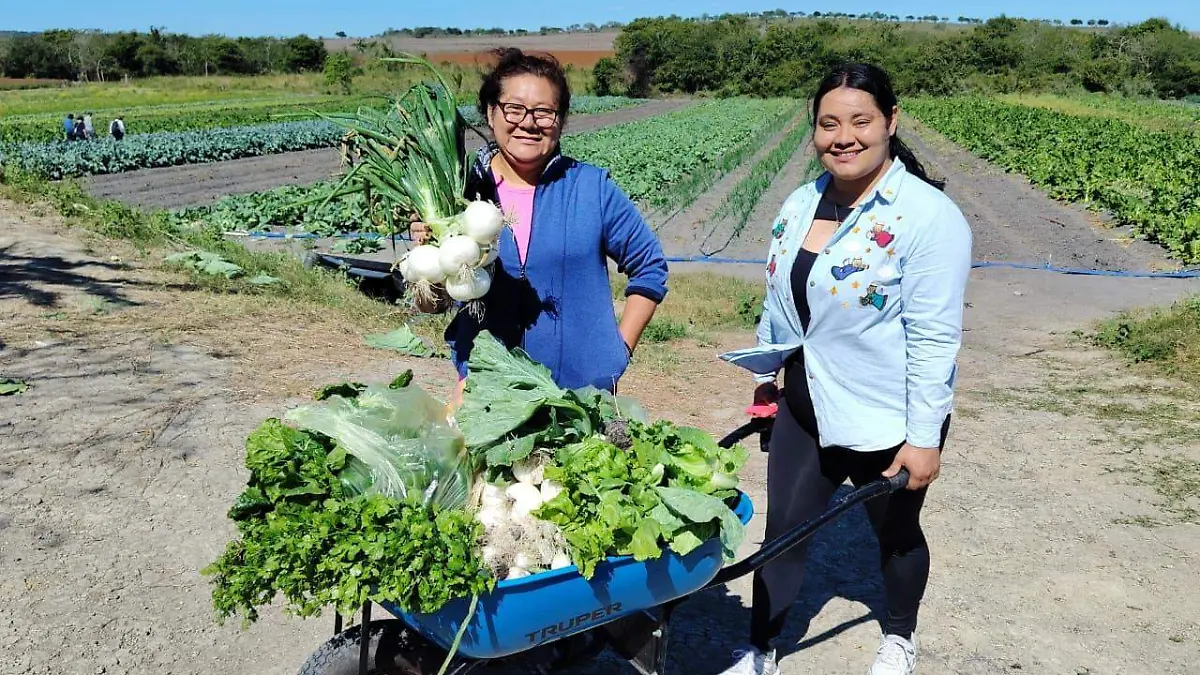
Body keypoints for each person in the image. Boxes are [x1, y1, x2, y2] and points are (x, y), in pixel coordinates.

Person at [717, 63, 972, 675]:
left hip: (885, 410)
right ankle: (762, 649)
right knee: (782, 532)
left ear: (890, 122)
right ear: (814, 131)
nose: (844, 136)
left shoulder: (927, 216)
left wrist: (922, 438)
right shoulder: (802, 202)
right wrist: (763, 380)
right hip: (805, 399)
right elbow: (777, 298)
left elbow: (936, 337)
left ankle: (900, 637)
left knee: (896, 532)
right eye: (829, 123)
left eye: (860, 120)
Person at [412, 48, 668, 399]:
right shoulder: (459, 195)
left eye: (544, 112)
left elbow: (650, 267)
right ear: (491, 112)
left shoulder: (591, 188)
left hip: (581, 398)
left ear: (560, 120)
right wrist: (428, 262)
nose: (528, 123)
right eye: (514, 108)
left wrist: (617, 353)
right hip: (487, 396)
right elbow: (433, 306)